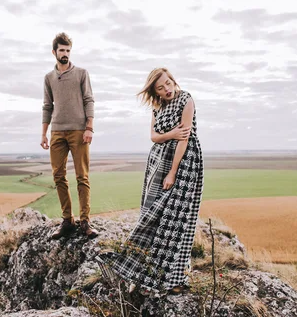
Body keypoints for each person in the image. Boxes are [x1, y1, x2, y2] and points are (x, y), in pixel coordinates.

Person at [98, 67, 204, 294]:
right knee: (150, 215)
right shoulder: (157, 106)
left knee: (176, 221)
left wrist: (173, 172)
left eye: (168, 83)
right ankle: (144, 275)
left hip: (183, 163)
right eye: (160, 87)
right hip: (157, 162)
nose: (166, 89)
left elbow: (184, 140)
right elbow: (154, 136)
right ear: (154, 92)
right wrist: (170, 135)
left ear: (173, 80)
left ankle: (175, 279)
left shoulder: (186, 99)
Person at [41, 32, 98, 239]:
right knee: (58, 176)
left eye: (68, 50)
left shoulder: (81, 73)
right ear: (54, 52)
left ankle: (85, 222)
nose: (65, 54)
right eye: (61, 50)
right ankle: (67, 221)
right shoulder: (49, 78)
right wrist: (44, 134)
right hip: (57, 131)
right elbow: (47, 106)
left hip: (79, 131)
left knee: (82, 177)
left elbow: (89, 100)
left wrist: (89, 127)